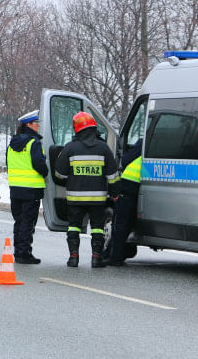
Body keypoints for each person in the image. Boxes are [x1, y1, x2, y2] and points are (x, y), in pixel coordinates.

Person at [54, 112, 119, 268]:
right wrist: (115, 193)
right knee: (97, 228)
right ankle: (96, 258)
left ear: (76, 129)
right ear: (93, 128)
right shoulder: (103, 148)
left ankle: (73, 258)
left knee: (73, 226)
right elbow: (113, 175)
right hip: (97, 199)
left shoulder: (70, 148)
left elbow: (59, 174)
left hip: (75, 198)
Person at [7, 110, 48, 264]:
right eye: (35, 123)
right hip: (31, 189)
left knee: (19, 221)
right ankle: (24, 253)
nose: (38, 126)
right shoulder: (33, 143)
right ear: (29, 125)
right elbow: (39, 165)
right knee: (28, 222)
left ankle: (18, 252)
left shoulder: (12, 144)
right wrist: (46, 172)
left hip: (15, 188)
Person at [107, 138, 142, 266]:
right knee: (127, 221)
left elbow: (126, 160)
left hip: (129, 182)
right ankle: (110, 254)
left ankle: (114, 257)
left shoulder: (144, 141)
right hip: (140, 185)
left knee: (120, 223)